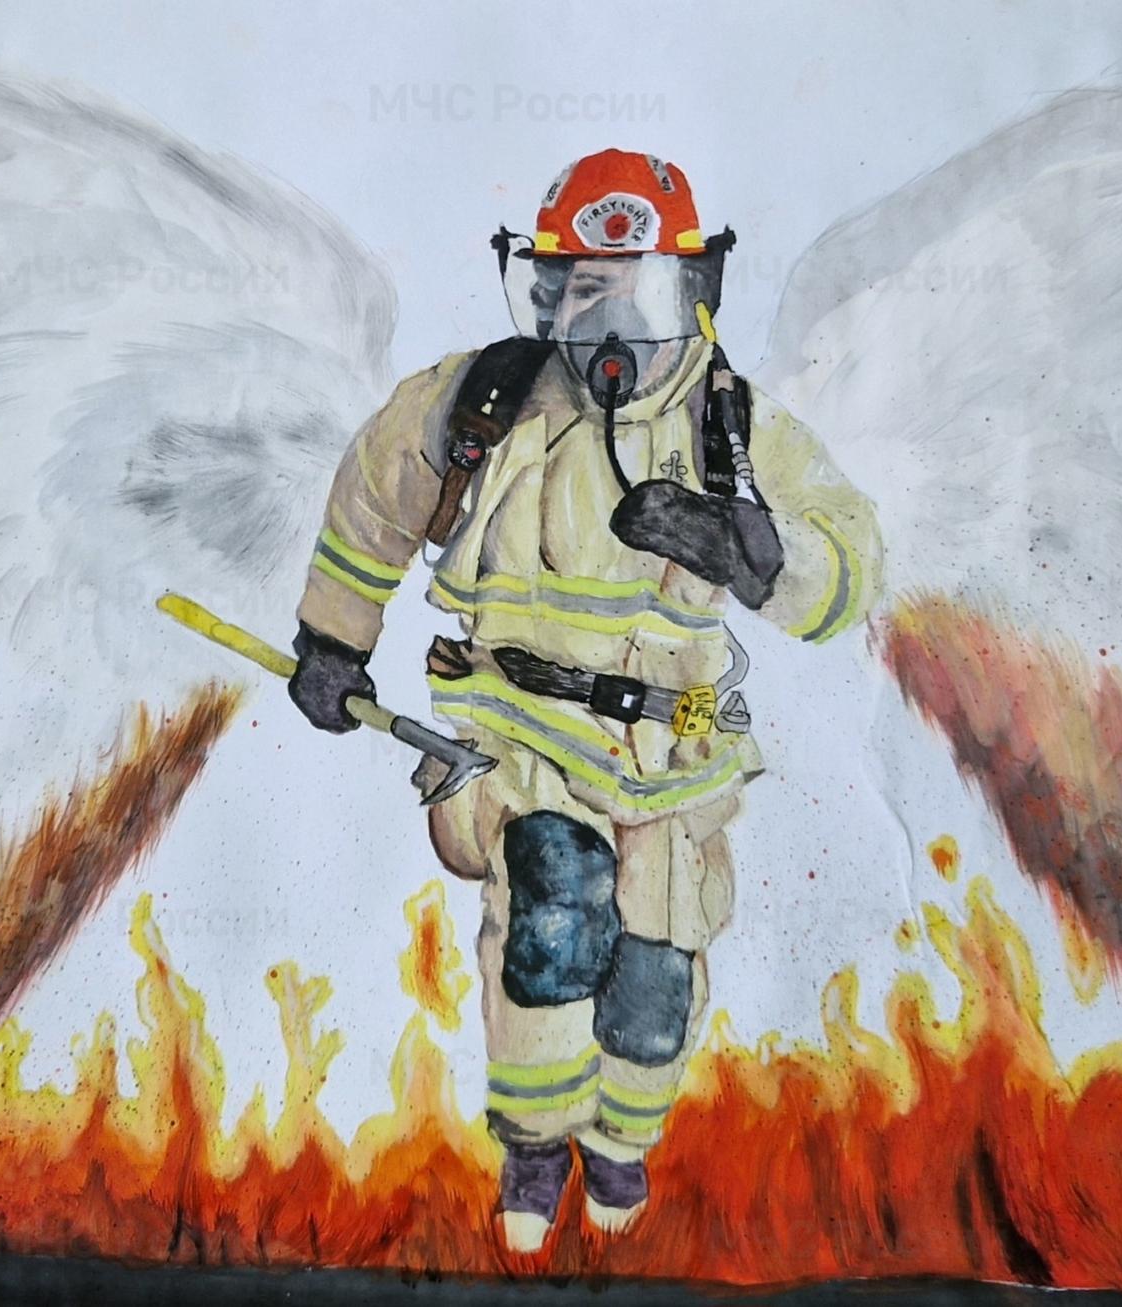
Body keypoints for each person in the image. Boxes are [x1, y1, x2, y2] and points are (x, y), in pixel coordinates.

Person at [287, 149, 884, 1252]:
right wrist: (333, 639)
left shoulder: (732, 426)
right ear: (546, 289)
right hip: (521, 728)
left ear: (692, 292)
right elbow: (376, 491)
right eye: (580, 289)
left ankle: (621, 1139)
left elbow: (852, 566)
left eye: (636, 293)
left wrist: (759, 555)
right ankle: (532, 1144)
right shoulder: (488, 401)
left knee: (654, 971)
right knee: (551, 912)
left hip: (677, 742)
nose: (606, 322)